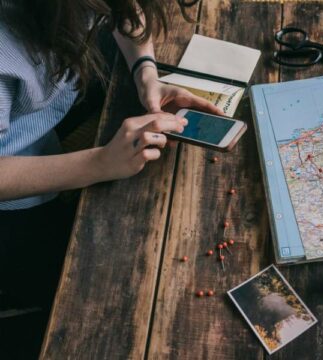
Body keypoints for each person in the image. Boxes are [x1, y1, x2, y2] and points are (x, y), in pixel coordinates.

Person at [0, 0, 220, 357]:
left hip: (47, 115)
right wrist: (100, 163)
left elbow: (123, 10)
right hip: (14, 200)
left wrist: (146, 72)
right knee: (89, 295)